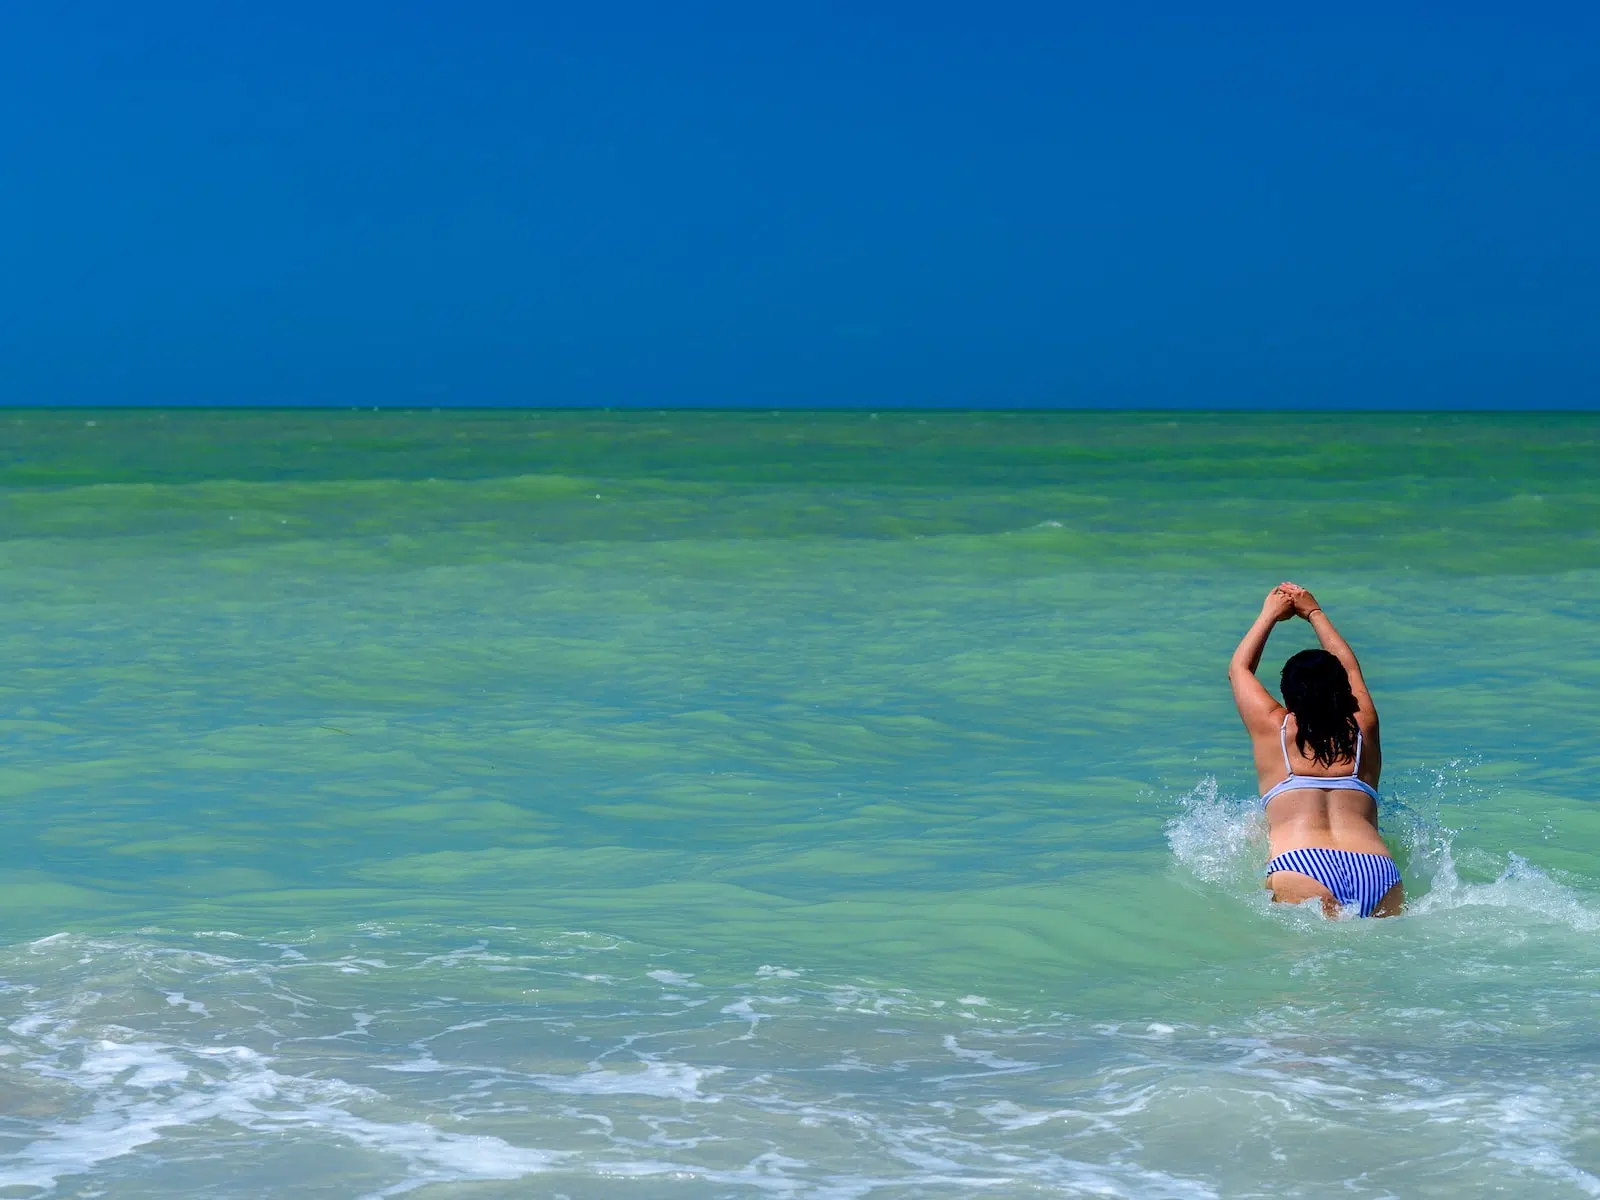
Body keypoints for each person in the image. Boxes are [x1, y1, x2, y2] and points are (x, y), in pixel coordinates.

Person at [1228, 583, 1402, 917]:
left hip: (1301, 866)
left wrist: (1270, 614)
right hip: (1376, 871)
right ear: (1344, 691)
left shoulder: (1274, 728)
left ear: (1288, 696)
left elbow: (1239, 670)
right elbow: (1350, 667)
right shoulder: (1363, 729)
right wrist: (1313, 612)